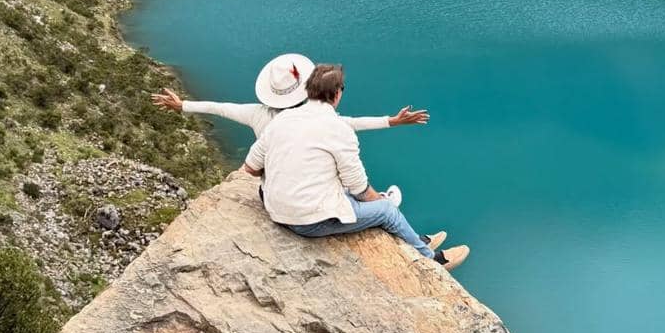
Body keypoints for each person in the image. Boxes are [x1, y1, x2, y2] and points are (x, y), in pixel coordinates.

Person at [243, 63, 470, 270]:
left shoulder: (281, 120)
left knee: (345, 192)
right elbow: (360, 189)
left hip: (276, 207)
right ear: (337, 93)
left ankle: (413, 237)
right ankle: (430, 259)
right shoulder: (338, 128)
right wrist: (380, 202)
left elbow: (251, 168)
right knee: (388, 211)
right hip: (306, 221)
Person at [152, 53, 429, 139]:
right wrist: (391, 121)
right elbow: (352, 123)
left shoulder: (256, 113)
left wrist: (182, 105)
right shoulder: (313, 119)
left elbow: (219, 107)